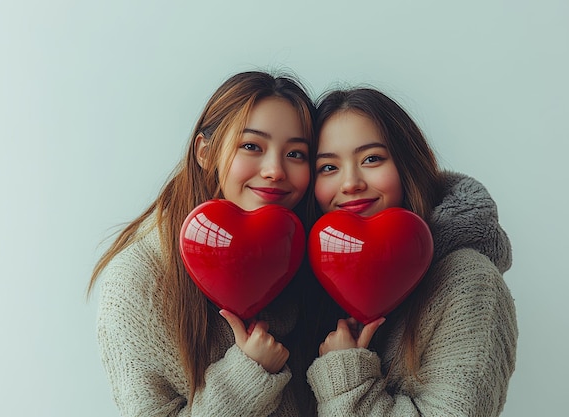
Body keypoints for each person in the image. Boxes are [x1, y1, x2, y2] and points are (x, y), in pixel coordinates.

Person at [87, 71, 321, 416]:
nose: (275, 170)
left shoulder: (312, 253)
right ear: (205, 152)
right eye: (251, 146)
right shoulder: (138, 281)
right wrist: (249, 373)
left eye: (296, 154)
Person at [306, 88, 518, 416]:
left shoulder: (469, 281)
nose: (350, 183)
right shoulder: (308, 277)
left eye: (372, 159)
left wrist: (345, 372)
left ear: (406, 164)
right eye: (328, 168)